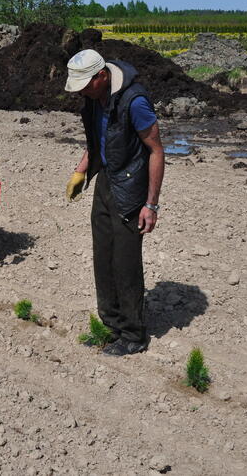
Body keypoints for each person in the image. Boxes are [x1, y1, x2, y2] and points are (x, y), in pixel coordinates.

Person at [64, 49, 165, 356]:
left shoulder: (134, 102)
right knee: (103, 257)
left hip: (132, 187)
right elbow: (97, 141)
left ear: (102, 76)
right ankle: (111, 325)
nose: (81, 91)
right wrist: (81, 171)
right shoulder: (94, 100)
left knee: (125, 263)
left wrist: (151, 205)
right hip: (108, 179)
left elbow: (157, 152)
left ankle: (134, 335)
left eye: (85, 84)